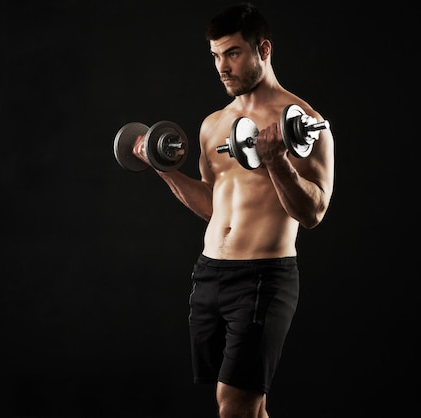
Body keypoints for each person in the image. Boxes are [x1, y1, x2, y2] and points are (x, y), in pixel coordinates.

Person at [131, 3, 334, 417]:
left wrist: (275, 159)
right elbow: (213, 205)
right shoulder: (212, 125)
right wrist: (163, 169)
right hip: (209, 274)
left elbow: (314, 212)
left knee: (234, 405)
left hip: (264, 277)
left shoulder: (306, 121)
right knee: (248, 406)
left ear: (264, 49)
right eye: (215, 56)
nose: (222, 66)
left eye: (234, 53)